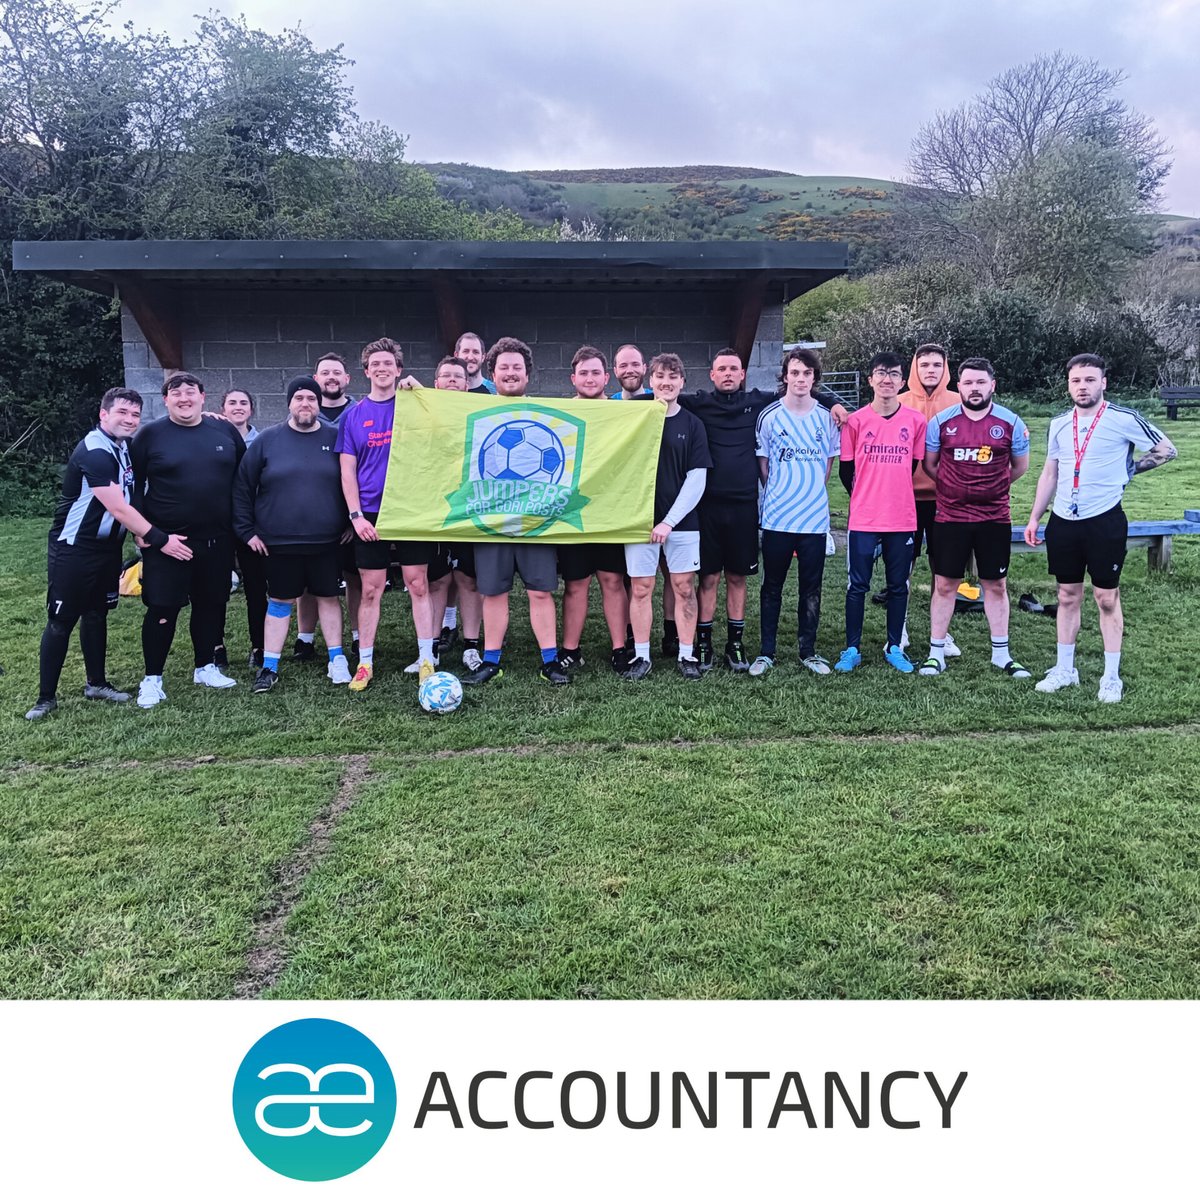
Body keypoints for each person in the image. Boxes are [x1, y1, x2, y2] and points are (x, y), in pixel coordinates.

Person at [26, 388, 191, 720]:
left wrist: (212, 416)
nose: (129, 420)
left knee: (97, 613)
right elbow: (117, 507)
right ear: (103, 414)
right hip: (75, 549)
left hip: (107, 550)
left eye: (134, 415)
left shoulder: (124, 446)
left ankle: (96, 683)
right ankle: (45, 698)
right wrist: (157, 538)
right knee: (61, 621)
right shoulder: (95, 451)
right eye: (122, 413)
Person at [680, 348, 847, 672]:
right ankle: (704, 645)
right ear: (712, 375)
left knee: (739, 577)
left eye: (734, 368)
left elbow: (806, 394)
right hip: (711, 508)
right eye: (721, 369)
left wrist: (834, 402)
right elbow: (663, 396)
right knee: (710, 578)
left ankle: (737, 645)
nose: (728, 374)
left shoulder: (758, 403)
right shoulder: (700, 402)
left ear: (743, 374)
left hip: (746, 507)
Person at [1024, 353, 1177, 702]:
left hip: (1104, 519)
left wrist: (1130, 470)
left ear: (1103, 383)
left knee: (1106, 597)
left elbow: (1167, 450)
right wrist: (1035, 516)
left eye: (1090, 380)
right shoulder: (1060, 423)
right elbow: (1051, 472)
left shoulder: (1123, 418)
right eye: (1076, 380)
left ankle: (1111, 677)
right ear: (1068, 384)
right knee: (1066, 595)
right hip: (1063, 520)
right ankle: (1065, 669)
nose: (1083, 386)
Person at [129, 372, 245, 707]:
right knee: (163, 609)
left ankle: (205, 666)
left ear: (203, 397)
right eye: (175, 392)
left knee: (212, 605)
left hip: (217, 540)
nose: (184, 398)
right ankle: (152, 679)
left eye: (190, 392)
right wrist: (143, 532)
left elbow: (242, 480)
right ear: (165, 399)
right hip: (167, 542)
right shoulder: (149, 436)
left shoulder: (223, 430)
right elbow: (133, 487)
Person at [233, 376, 352, 693]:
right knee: (279, 601)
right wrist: (246, 531)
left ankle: (337, 660)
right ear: (289, 403)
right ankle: (269, 667)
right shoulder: (267, 440)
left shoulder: (336, 437)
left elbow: (354, 481)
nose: (305, 404)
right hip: (279, 541)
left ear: (319, 403)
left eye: (311, 399)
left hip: (327, 540)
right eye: (299, 398)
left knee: (328, 598)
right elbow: (243, 488)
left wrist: (352, 521)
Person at [462, 337, 569, 686]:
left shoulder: (545, 414)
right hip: (490, 520)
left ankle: (550, 661)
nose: (510, 373)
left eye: (517, 368)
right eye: (504, 367)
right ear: (492, 373)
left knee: (540, 591)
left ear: (528, 375)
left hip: (535, 519)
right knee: (493, 592)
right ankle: (491, 660)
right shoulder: (472, 412)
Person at [336, 337, 439, 692]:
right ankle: (364, 664)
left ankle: (427, 657)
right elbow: (347, 471)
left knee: (418, 584)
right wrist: (356, 516)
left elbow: (443, 423)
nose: (382, 369)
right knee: (370, 590)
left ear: (398, 369)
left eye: (388, 364)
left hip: (409, 510)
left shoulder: (413, 405)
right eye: (375, 364)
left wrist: (421, 389)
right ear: (366, 372)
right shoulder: (353, 416)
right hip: (371, 515)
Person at [920, 357, 1031, 678]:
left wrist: (991, 487)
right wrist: (957, 488)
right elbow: (931, 465)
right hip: (950, 517)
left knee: (995, 584)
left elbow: (1019, 467)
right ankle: (935, 653)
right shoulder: (941, 422)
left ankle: (1001, 654)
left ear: (992, 385)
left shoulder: (1010, 422)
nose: (974, 388)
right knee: (944, 585)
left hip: (994, 518)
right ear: (959, 386)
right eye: (968, 383)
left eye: (981, 382)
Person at [749, 349, 840, 677]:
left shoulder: (826, 417)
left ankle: (808, 651)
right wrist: (781, 494)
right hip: (777, 517)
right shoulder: (769, 416)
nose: (800, 379)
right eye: (795, 373)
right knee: (771, 585)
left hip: (814, 518)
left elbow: (827, 465)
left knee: (811, 587)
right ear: (785, 376)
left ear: (815, 378)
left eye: (807, 374)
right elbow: (764, 467)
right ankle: (766, 652)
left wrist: (808, 492)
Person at [835, 352, 927, 674]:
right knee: (857, 586)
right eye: (881, 373)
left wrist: (890, 495)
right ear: (871, 379)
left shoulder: (916, 421)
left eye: (894, 374)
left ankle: (894, 647)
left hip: (901, 517)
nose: (887, 379)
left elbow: (913, 466)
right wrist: (866, 497)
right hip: (864, 518)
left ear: (903, 381)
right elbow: (846, 472)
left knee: (898, 585)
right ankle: (852, 649)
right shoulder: (855, 421)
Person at [622, 353, 712, 681]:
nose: (666, 382)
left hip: (682, 523)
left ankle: (687, 655)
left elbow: (696, 479)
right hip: (639, 522)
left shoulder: (693, 424)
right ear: (651, 381)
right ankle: (641, 656)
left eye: (673, 376)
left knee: (684, 587)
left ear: (682, 383)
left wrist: (669, 522)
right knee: (642, 587)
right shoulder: (635, 418)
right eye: (660, 376)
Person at [557, 345, 633, 674]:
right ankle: (570, 649)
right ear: (573, 378)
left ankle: (620, 648)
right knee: (576, 583)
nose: (589, 378)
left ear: (607, 377)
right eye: (583, 373)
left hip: (611, 512)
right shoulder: (560, 413)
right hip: (572, 513)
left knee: (612, 580)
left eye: (595, 372)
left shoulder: (624, 413)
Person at [895, 342, 961, 656]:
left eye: (936, 365)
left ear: (945, 368)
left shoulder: (959, 402)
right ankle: (900, 629)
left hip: (947, 500)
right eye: (925, 365)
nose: (930, 370)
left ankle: (942, 633)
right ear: (915, 369)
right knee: (903, 567)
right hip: (906, 499)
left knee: (943, 569)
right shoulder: (899, 402)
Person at [296, 353, 362, 660]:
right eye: (325, 372)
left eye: (337, 372)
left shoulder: (360, 412)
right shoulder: (302, 414)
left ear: (348, 379)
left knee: (354, 576)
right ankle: (304, 639)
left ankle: (359, 636)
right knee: (308, 581)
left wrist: (353, 516)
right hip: (312, 516)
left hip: (351, 514)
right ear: (316, 378)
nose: (331, 377)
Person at [427, 355, 484, 672]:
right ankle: (431, 648)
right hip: (435, 511)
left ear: (467, 384)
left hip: (472, 509)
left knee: (468, 580)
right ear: (436, 383)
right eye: (445, 376)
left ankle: (471, 647)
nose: (451, 380)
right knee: (436, 582)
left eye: (457, 377)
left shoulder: (481, 411)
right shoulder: (423, 411)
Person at [218, 388, 266, 669]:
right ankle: (216, 646)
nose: (238, 407)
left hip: (253, 525)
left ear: (251, 409)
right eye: (232, 403)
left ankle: (259, 647)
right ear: (222, 409)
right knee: (216, 589)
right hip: (220, 524)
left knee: (257, 589)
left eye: (243, 403)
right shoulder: (211, 436)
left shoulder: (263, 441)